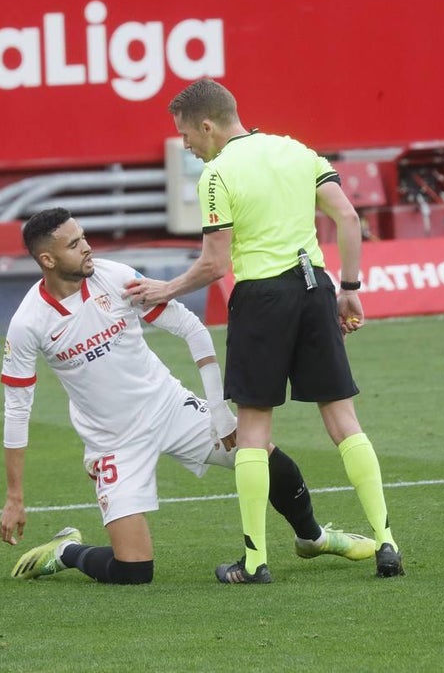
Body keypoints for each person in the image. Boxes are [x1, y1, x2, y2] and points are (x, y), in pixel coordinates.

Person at [123, 79, 404, 584]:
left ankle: (255, 562)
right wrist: (349, 286)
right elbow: (346, 214)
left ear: (207, 126)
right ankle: (387, 541)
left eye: (186, 135)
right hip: (315, 286)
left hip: (262, 297)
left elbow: (214, 265)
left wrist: (166, 289)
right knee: (343, 419)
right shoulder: (296, 150)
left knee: (253, 430)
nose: (186, 145)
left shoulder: (216, 174)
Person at [0, 208, 376, 585]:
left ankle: (313, 537)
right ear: (47, 260)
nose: (87, 248)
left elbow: (190, 328)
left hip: (168, 407)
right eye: (74, 244)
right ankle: (66, 550)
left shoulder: (114, 277)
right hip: (113, 441)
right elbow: (17, 409)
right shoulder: (28, 323)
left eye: (83, 237)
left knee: (261, 455)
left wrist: (219, 411)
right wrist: (15, 496)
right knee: (133, 571)